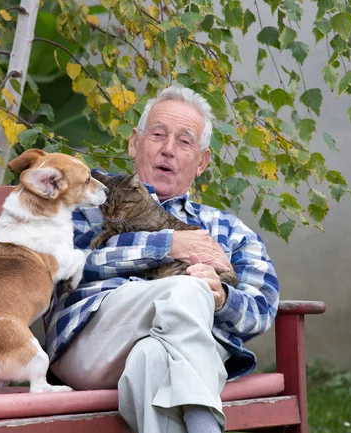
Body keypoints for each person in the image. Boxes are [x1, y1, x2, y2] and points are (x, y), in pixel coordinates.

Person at [45, 85, 280, 433]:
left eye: (185, 142)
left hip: (176, 361)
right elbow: (64, 267)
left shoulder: (230, 231)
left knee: (153, 359)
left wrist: (222, 298)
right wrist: (166, 246)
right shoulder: (85, 206)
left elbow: (261, 309)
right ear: (134, 142)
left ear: (202, 162)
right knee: (186, 289)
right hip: (92, 347)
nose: (168, 150)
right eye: (158, 135)